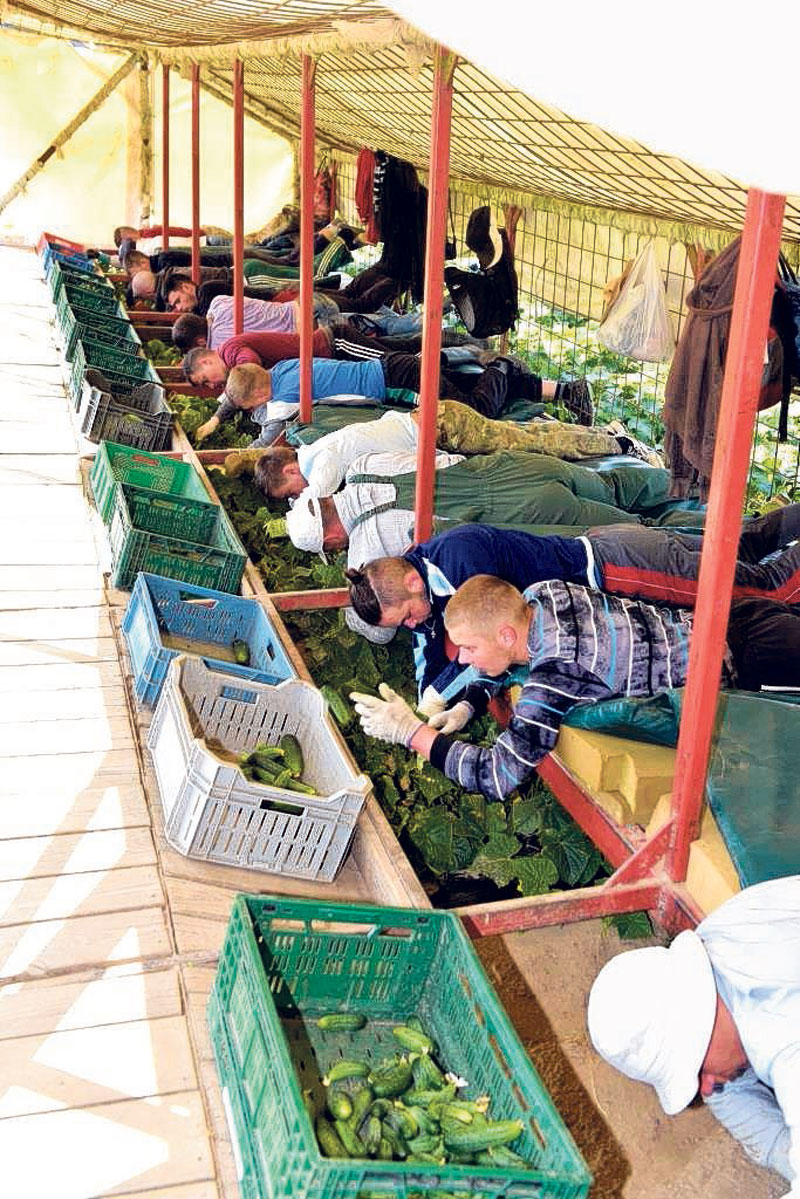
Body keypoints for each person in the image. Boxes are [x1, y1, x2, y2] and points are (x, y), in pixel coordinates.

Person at [349, 574, 800, 801]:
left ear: (506, 635)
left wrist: (412, 732)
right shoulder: (544, 594)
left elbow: (498, 776)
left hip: (755, 659)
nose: (463, 660)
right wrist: (470, 700)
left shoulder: (553, 677)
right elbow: (514, 659)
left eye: (468, 648)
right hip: (739, 617)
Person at [345, 515, 800, 712]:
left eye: (405, 616)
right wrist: (432, 696)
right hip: (615, 561)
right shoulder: (423, 581)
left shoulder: (460, 560)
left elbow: (488, 642)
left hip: (618, 569)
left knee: (768, 588)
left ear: (410, 582)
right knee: (741, 546)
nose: (412, 626)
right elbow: (432, 657)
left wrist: (448, 700)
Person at [587, 876, 800, 1193]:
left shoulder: (782, 1036)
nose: (704, 1087)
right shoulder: (717, 949)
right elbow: (723, 1090)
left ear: (702, 1023)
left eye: (695, 1068)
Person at [245, 407, 645, 496]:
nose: (297, 495)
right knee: (521, 434)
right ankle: (603, 433)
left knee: (530, 442)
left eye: (290, 492)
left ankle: (618, 444)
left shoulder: (323, 462)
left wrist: (296, 514)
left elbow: (317, 498)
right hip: (433, 424)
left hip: (442, 427)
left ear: (289, 473)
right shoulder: (315, 448)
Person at [210, 351, 595, 442]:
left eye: (252, 406)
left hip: (397, 380)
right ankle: (567, 390)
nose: (255, 410)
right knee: (469, 386)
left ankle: (503, 365)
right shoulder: (282, 368)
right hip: (394, 368)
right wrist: (216, 418)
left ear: (261, 395)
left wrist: (240, 455)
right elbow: (241, 392)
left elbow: (269, 436)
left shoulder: (283, 396)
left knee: (474, 410)